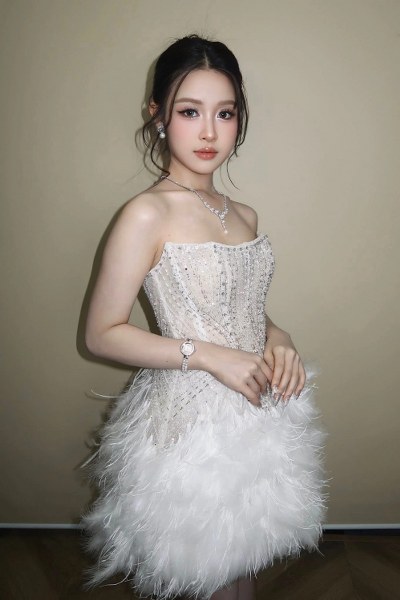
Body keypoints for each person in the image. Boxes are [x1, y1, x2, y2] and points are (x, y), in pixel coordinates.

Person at [81, 34, 325, 600]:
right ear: (158, 116)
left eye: (225, 113)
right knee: (207, 574)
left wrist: (279, 335)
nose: (210, 132)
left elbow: (243, 307)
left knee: (243, 566)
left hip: (255, 409)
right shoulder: (146, 213)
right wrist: (210, 356)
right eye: (190, 112)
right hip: (190, 423)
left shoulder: (243, 213)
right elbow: (101, 334)